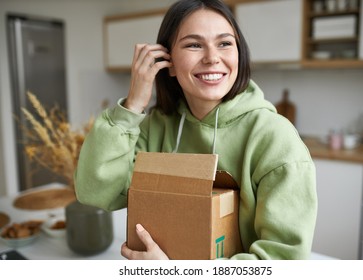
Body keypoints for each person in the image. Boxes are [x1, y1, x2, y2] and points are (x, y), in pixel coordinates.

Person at [75, 0, 317, 260]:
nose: (212, 58)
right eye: (194, 44)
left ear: (240, 53)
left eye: (224, 43)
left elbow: (283, 261)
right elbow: (97, 194)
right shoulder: (155, 127)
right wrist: (133, 105)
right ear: (167, 59)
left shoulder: (274, 138)